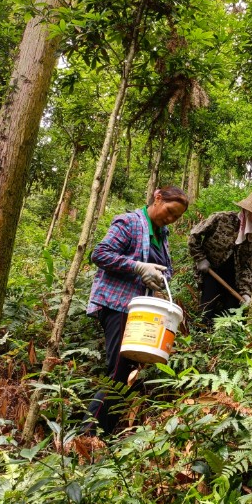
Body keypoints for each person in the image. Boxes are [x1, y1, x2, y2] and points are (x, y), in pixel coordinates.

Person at [85, 186, 189, 435]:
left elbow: (166, 268)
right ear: (158, 197)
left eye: (176, 217)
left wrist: (159, 276)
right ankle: (88, 436)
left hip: (141, 310)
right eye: (170, 211)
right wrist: (138, 267)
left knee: (127, 371)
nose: (171, 219)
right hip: (117, 304)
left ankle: (100, 435)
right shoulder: (130, 222)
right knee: (119, 371)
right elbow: (99, 254)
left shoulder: (161, 234)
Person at [188, 188, 252, 323]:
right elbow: (194, 235)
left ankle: (224, 341)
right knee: (207, 308)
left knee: (232, 313)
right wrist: (200, 259)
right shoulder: (221, 218)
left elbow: (250, 264)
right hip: (211, 269)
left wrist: (246, 292)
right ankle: (203, 337)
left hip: (234, 275)